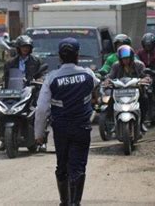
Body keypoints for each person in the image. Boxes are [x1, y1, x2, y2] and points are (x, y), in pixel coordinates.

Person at [35, 38, 99, 206]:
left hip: (61, 129)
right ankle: (75, 203)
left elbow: (42, 109)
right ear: (77, 55)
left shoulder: (51, 78)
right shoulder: (88, 74)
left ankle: (64, 202)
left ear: (60, 56)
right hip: (82, 128)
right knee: (78, 167)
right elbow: (97, 86)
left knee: (62, 165)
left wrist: (39, 134)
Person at [2, 35, 47, 151]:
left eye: (27, 47)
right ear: (18, 48)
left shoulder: (37, 61)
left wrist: (40, 79)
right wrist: (1, 84)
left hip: (32, 90)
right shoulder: (10, 63)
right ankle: (4, 139)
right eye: (23, 47)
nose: (25, 49)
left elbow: (43, 73)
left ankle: (41, 139)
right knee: (1, 111)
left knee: (39, 110)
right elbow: (6, 78)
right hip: (14, 91)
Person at [107, 45, 149, 132]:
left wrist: (145, 79)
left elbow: (145, 75)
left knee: (144, 100)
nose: (126, 60)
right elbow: (110, 76)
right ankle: (113, 122)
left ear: (132, 58)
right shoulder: (116, 66)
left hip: (135, 91)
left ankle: (141, 123)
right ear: (120, 59)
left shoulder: (139, 65)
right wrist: (107, 81)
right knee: (110, 101)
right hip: (119, 92)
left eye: (127, 58)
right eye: (123, 59)